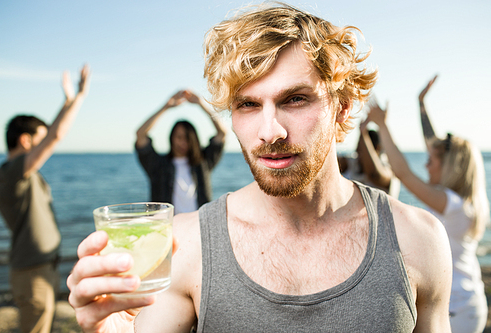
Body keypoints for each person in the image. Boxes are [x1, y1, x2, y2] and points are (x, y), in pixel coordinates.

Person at [67, 4, 453, 332]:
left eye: (296, 99)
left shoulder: (418, 240)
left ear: (342, 107)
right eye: (248, 105)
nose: (270, 132)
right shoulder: (185, 247)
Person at [367, 75, 489, 333]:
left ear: (450, 167)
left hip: (458, 310)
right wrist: (420, 103)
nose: (426, 164)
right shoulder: (459, 200)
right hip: (465, 303)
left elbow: (403, 173)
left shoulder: (451, 204)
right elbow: (434, 145)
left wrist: (382, 125)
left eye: (431, 161)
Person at [0, 64, 90, 333]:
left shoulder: (15, 172)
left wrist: (67, 102)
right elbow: (55, 135)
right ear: (25, 141)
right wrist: (81, 95)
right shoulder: (12, 172)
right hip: (32, 271)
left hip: (37, 267)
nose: (45, 144)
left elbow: (50, 132)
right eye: (39, 139)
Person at [135, 89, 227, 214]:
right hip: (167, 228)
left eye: (187, 138)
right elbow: (140, 134)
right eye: (179, 137)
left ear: (194, 140)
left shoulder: (203, 162)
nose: (183, 142)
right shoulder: (158, 165)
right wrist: (166, 106)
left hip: (198, 227)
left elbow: (222, 133)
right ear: (171, 138)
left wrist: (201, 104)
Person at [338, 116, 400, 198]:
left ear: (377, 148)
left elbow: (374, 174)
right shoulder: (354, 162)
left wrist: (364, 133)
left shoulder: (388, 168)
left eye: (362, 149)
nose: (358, 153)